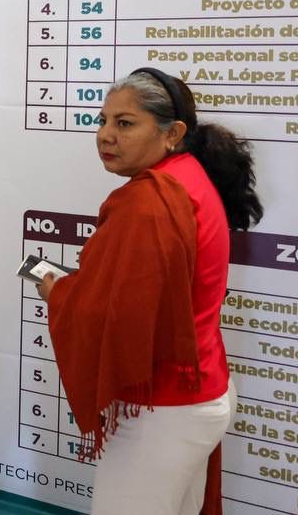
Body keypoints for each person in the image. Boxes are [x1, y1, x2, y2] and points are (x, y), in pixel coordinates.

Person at [39, 67, 263, 515]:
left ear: (172, 133)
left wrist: (59, 292)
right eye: (103, 120)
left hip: (162, 410)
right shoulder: (188, 177)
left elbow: (118, 315)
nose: (106, 135)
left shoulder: (149, 201)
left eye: (125, 123)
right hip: (202, 389)